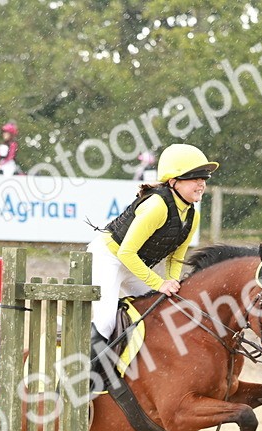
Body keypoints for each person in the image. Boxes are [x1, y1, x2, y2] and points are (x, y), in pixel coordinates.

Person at [87, 143, 217, 355]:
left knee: (162, 311)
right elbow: (125, 253)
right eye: (195, 178)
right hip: (108, 258)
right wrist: (159, 283)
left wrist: (173, 285)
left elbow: (175, 258)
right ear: (173, 182)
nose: (201, 184)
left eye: (204, 179)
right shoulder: (157, 205)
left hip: (134, 266)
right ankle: (85, 377)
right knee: (105, 322)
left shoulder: (193, 215)